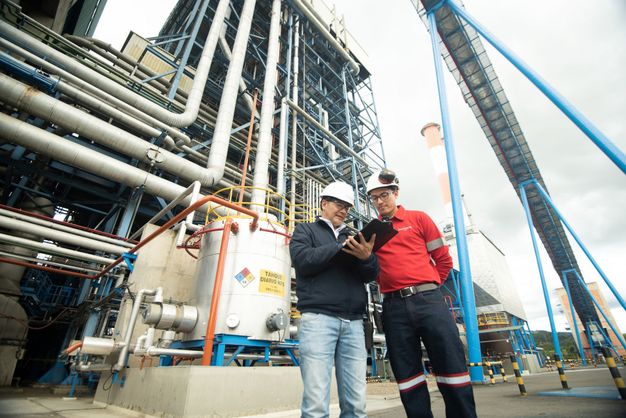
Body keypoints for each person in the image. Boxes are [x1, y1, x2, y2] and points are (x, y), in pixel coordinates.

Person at [367, 169, 477, 418]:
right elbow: (371, 270)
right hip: (393, 307)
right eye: (374, 198)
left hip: (429, 302)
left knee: (451, 366)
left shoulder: (419, 219)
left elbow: (443, 260)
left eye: (384, 195)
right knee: (407, 375)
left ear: (396, 193)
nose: (380, 201)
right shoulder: (372, 233)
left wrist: (429, 285)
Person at [290, 180, 379, 418]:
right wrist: (339, 247)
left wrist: (366, 257)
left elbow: (370, 275)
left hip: (354, 323)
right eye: (339, 204)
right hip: (319, 319)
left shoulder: (355, 238)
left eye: (347, 207)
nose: (343, 210)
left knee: (356, 404)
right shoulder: (306, 230)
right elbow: (303, 261)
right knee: (316, 404)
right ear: (323, 203)